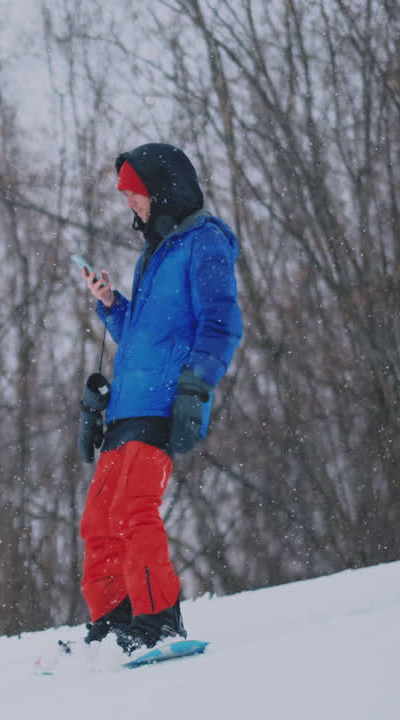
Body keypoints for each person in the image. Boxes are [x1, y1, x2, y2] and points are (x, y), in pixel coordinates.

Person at [75, 143, 244, 653]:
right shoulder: (155, 250)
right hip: (127, 405)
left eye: (134, 194)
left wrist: (196, 386)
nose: (130, 204)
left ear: (163, 191)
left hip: (163, 403)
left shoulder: (204, 243)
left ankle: (158, 621)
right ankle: (115, 623)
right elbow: (145, 336)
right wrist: (109, 304)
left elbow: (222, 325)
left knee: (133, 512)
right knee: (100, 522)